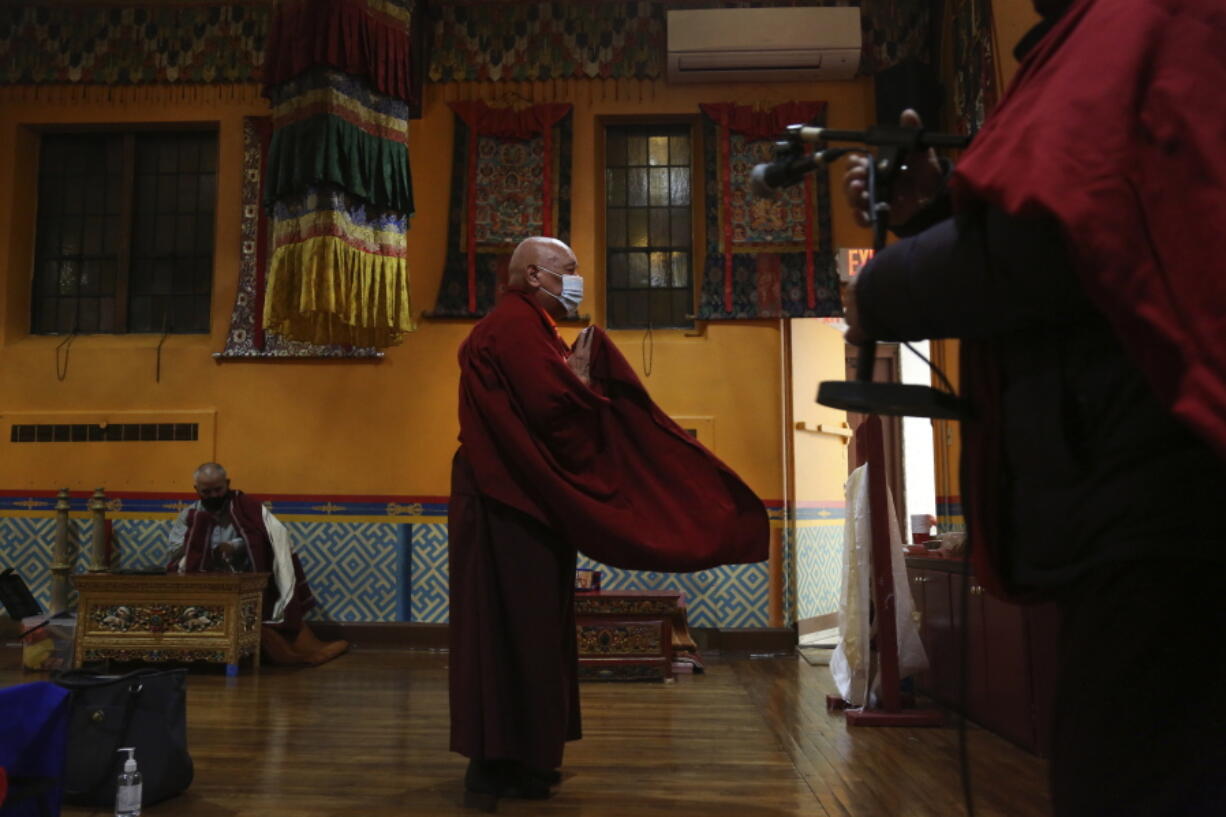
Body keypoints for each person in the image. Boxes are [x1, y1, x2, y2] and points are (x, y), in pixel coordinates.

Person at [840, 1, 1226, 814]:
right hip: (1135, 502)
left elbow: (1066, 233)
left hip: (1162, 504)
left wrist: (880, 288)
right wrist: (940, 214)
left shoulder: (1143, 15)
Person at [450, 236, 768, 803]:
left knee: (535, 629)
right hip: (505, 502)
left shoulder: (531, 327)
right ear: (529, 274)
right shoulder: (513, 327)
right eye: (566, 270)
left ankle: (526, 755)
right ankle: (494, 762)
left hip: (522, 501)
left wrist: (576, 371)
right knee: (509, 629)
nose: (576, 280)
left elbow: (551, 404)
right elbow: (554, 411)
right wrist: (585, 380)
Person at [166, 463, 349, 666]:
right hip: (204, 583)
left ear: (227, 484)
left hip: (242, 584)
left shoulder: (246, 508)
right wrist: (201, 539)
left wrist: (234, 546)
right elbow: (174, 551)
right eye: (206, 492)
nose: (213, 496)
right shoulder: (189, 516)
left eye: (218, 489)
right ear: (196, 491)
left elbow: (266, 539)